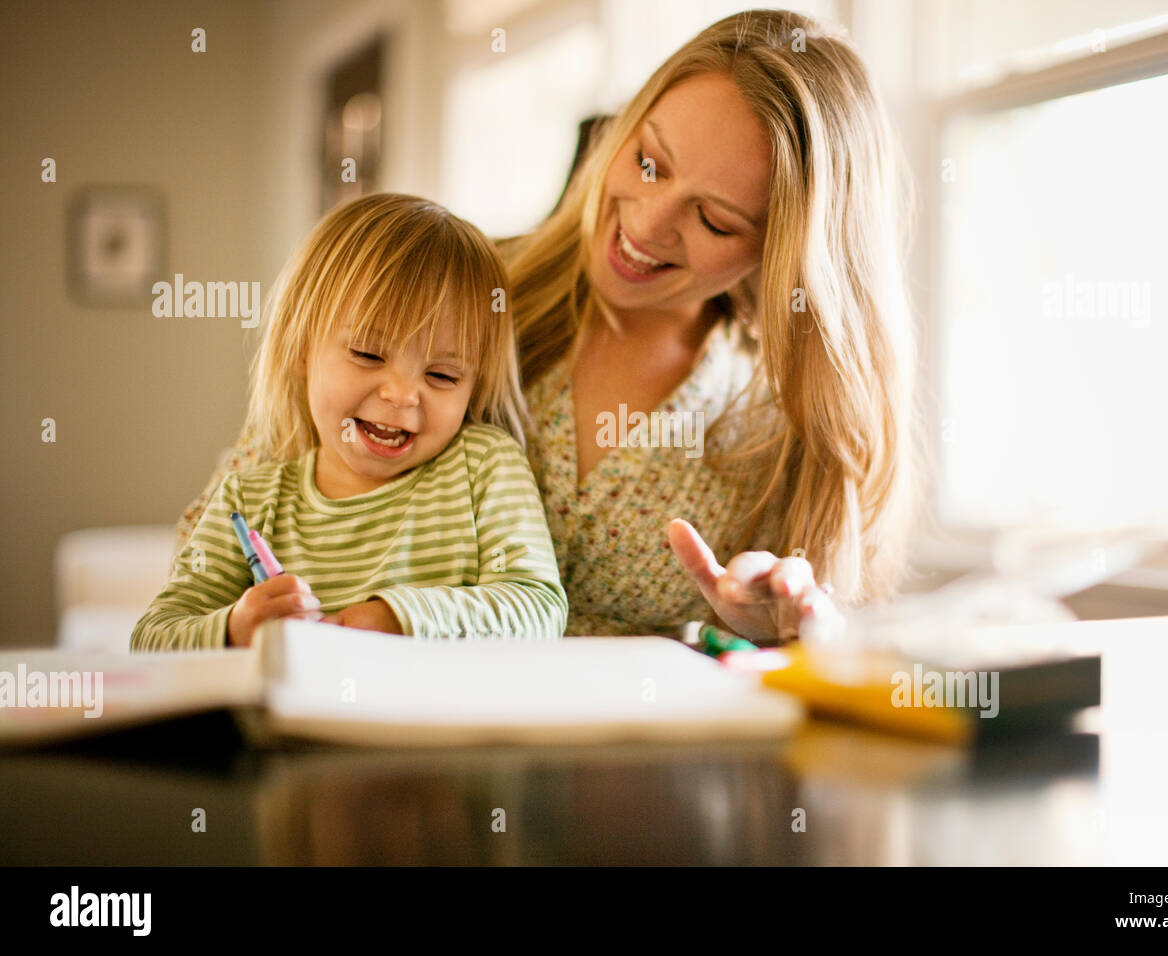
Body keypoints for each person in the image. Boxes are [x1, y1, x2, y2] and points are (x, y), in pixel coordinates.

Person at [173, 9, 918, 643]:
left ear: (781, 252)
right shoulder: (458, 299)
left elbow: (815, 654)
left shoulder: (778, 422)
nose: (647, 225)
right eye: (650, 161)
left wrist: (776, 632)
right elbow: (219, 537)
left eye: (715, 219)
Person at [132, 194, 567, 650]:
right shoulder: (250, 498)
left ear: (472, 388)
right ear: (301, 347)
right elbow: (154, 636)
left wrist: (394, 618)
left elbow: (538, 608)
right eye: (367, 354)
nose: (401, 394)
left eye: (442, 375)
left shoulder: (485, 467)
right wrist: (237, 627)